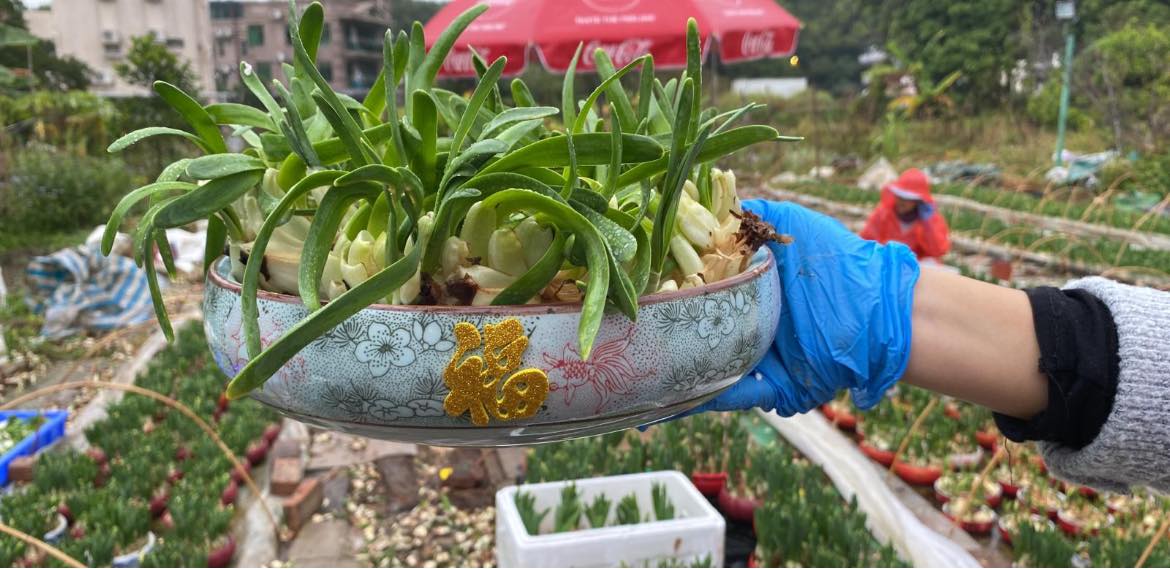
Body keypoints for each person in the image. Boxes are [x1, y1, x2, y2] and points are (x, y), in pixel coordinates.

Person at [696, 199, 1170, 493]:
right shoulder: (886, 214)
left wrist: (884, 299)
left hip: (916, 277)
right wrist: (884, 300)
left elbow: (937, 246)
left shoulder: (926, 218)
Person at [860, 168, 951, 263]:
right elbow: (866, 242)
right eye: (900, 196)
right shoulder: (883, 213)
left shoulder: (930, 219)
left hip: (916, 266)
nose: (902, 202)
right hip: (886, 262)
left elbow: (938, 251)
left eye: (907, 198)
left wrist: (929, 225)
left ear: (917, 201)